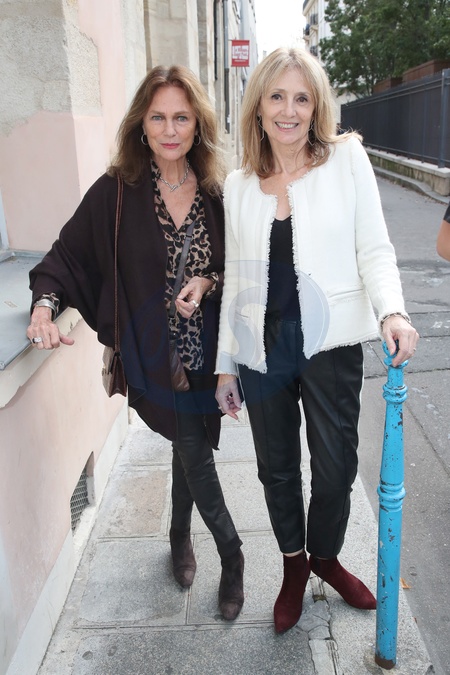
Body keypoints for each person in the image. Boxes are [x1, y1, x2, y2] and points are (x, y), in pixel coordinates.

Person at [26, 65, 244, 621]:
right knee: (194, 447)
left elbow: (239, 268)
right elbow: (65, 257)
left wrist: (208, 281)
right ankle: (233, 555)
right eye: (158, 117)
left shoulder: (217, 193)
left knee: (188, 445)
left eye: (182, 118)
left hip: (208, 355)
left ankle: (177, 535)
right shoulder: (117, 192)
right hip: (154, 357)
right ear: (140, 125)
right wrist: (44, 307)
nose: (170, 130)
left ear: (198, 125)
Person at [215, 47, 419, 634]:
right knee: (276, 469)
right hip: (263, 348)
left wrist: (393, 311)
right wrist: (227, 364)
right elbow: (237, 282)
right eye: (277, 97)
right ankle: (293, 565)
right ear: (258, 107)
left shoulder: (346, 160)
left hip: (331, 345)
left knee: (335, 469)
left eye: (301, 98)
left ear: (317, 106)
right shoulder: (239, 185)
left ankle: (325, 557)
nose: (289, 110)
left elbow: (373, 247)